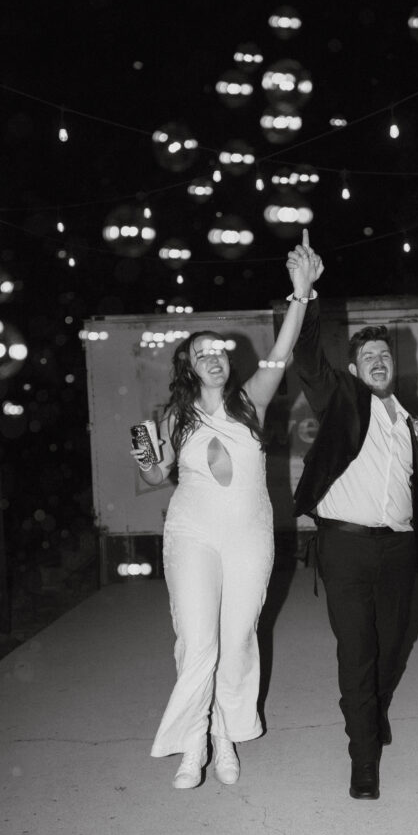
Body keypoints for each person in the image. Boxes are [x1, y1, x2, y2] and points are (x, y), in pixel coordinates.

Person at [132, 232, 323, 789]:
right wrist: (151, 458)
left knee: (237, 638)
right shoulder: (170, 417)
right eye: (202, 352)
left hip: (249, 535)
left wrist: (301, 293)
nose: (214, 356)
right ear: (189, 366)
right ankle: (192, 746)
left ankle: (224, 737)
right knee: (198, 641)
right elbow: (151, 476)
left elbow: (281, 351)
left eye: (220, 350)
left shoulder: (253, 399)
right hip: (192, 535)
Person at [290, 305, 418, 800]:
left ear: (394, 365)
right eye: (368, 356)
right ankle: (363, 758)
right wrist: (306, 299)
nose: (378, 361)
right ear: (353, 370)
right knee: (357, 651)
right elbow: (308, 362)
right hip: (344, 546)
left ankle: (372, 708)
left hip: (399, 549)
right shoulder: (343, 400)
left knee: (391, 646)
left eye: (384, 354)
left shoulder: (412, 423)